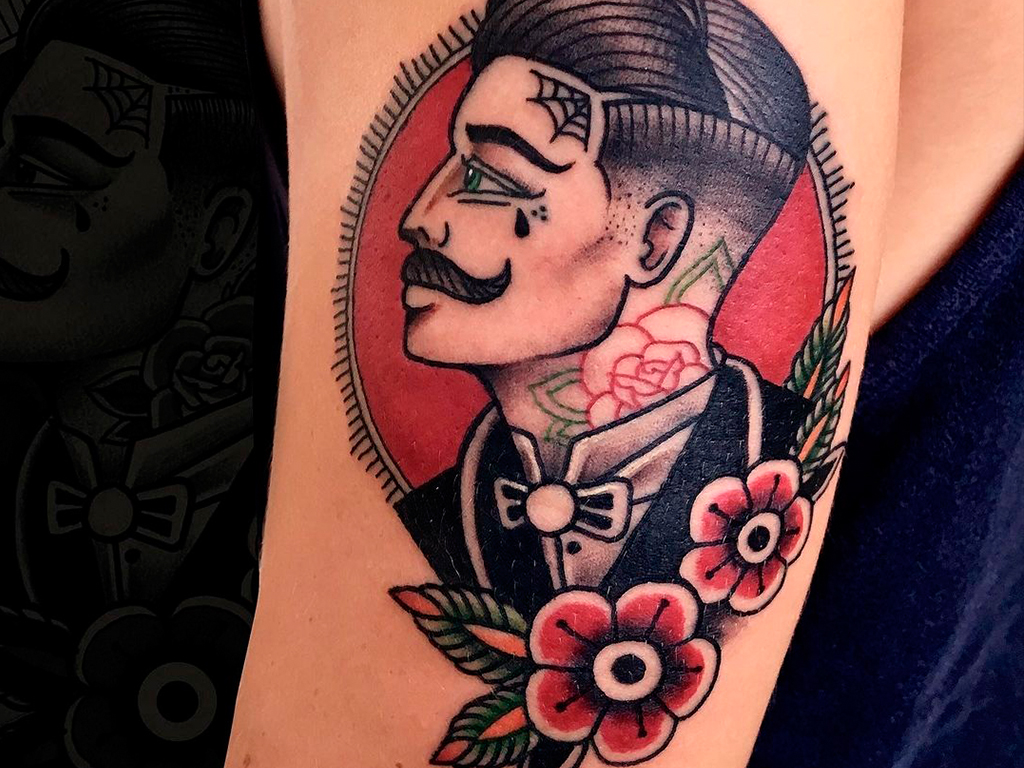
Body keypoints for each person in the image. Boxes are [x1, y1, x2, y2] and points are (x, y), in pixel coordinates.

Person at [395, 0, 811, 619]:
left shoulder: (788, 455)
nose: (419, 219)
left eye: (491, 178)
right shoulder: (432, 519)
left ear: (654, 240)